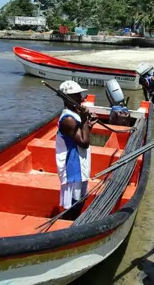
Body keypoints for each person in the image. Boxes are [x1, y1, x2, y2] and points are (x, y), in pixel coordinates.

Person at [55, 80, 97, 220]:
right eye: (77, 95)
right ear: (68, 98)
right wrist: (85, 119)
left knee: (81, 199)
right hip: (73, 166)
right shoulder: (68, 119)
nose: (81, 98)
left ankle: (72, 222)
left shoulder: (74, 115)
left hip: (80, 163)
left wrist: (88, 125)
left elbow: (81, 137)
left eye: (80, 94)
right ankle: (68, 225)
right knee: (75, 202)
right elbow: (84, 143)